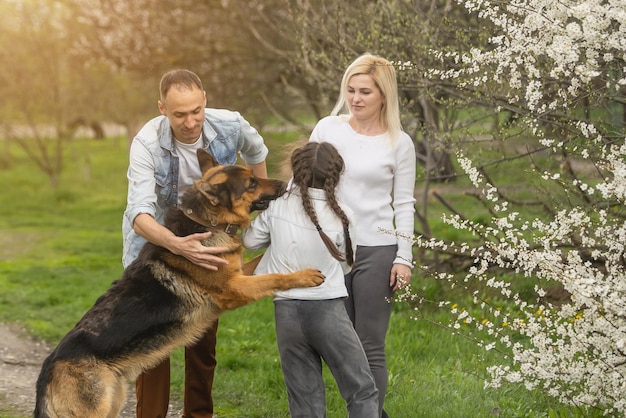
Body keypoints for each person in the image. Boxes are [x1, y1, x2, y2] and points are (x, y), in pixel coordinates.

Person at [122, 69, 269, 418]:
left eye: (195, 111)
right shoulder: (146, 143)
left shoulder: (230, 125)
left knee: (202, 342)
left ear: (205, 99)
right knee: (154, 344)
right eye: (178, 114)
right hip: (157, 244)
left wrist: (260, 202)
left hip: (211, 240)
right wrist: (177, 245)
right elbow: (139, 214)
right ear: (162, 109)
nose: (189, 122)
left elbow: (257, 151)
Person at [309, 53, 417, 417]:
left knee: (369, 344)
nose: (355, 99)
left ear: (383, 96)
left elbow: (404, 203)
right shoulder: (327, 129)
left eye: (365, 92)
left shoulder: (399, 143)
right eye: (351, 90)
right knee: (341, 345)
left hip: (378, 250)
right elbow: (307, 185)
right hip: (332, 250)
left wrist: (404, 257)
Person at [242, 141, 379, 418]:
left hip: (287, 313)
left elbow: (249, 240)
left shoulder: (277, 206)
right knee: (361, 389)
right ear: (336, 175)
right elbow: (347, 265)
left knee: (305, 400)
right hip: (327, 309)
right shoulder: (344, 215)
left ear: (295, 171)